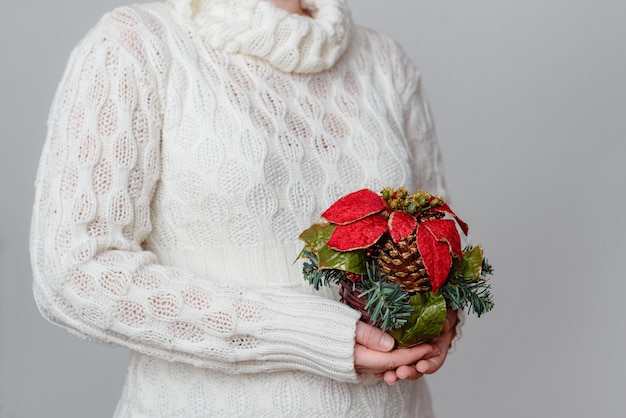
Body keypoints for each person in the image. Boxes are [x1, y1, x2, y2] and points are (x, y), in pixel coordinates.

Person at [31, 0, 462, 416]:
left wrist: (439, 318)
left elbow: (438, 244)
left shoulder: (385, 61)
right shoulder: (135, 45)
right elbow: (75, 270)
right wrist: (302, 334)